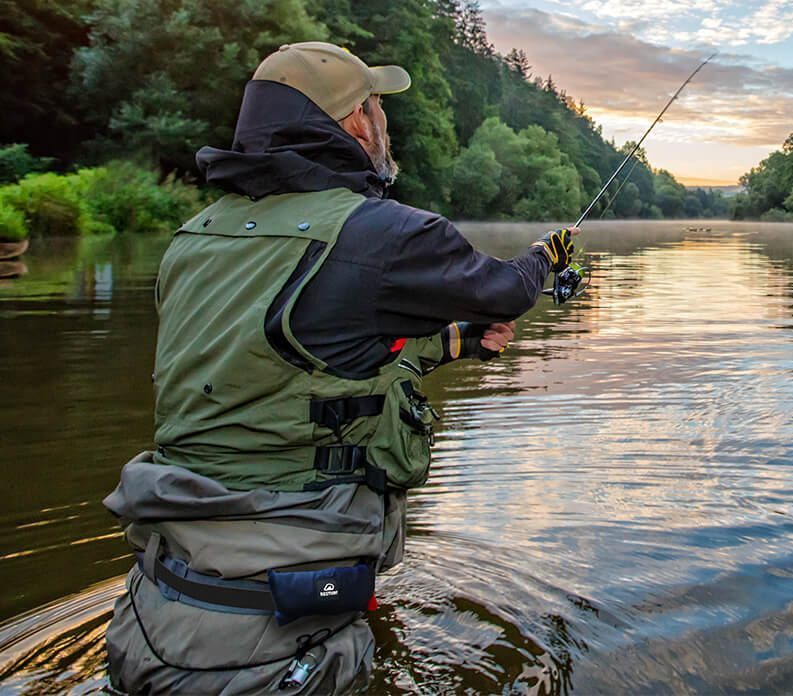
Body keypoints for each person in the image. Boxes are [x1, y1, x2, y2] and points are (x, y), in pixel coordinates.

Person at [104, 41, 578, 694]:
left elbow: (299, 358)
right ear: (356, 121)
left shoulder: (193, 242)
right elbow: (505, 290)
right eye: (378, 107)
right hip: (274, 654)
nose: (386, 123)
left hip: (147, 622)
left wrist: (461, 342)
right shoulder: (386, 234)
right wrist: (542, 257)